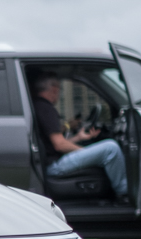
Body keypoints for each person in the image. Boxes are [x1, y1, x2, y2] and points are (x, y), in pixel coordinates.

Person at [31, 73, 129, 202]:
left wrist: (78, 137)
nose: (59, 94)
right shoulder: (46, 108)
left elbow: (54, 144)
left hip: (52, 161)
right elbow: (59, 145)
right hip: (54, 166)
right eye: (59, 90)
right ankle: (124, 194)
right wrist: (85, 152)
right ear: (54, 89)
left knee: (106, 149)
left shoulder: (38, 106)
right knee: (111, 148)